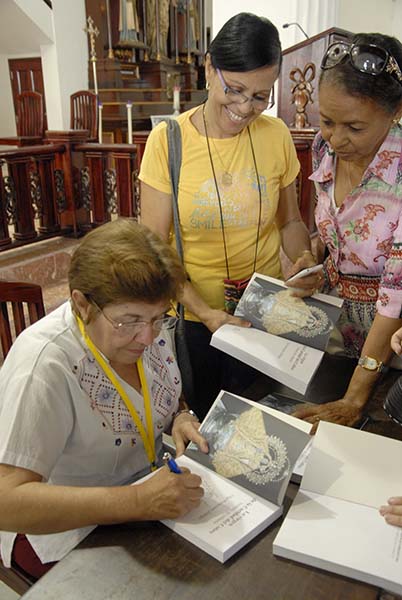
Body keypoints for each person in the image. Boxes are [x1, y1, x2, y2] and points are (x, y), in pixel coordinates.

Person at [0, 219, 207, 581]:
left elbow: (163, 392)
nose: (147, 337)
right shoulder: (45, 364)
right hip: (63, 532)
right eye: (130, 321)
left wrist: (180, 416)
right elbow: (6, 501)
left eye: (159, 318)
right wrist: (137, 503)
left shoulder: (144, 328)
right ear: (82, 304)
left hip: (143, 497)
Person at [139, 12, 320, 419]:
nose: (244, 107)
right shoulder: (168, 141)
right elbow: (153, 249)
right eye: (235, 89)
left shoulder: (276, 136)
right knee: (207, 422)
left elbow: (289, 221)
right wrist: (205, 312)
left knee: (262, 418)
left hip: (263, 314)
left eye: (260, 96)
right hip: (195, 319)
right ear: (208, 68)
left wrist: (303, 258)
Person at [293, 33, 402, 430]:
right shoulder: (324, 148)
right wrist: (318, 262)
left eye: (354, 127)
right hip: (339, 330)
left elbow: (395, 295)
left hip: (391, 342)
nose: (337, 139)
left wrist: (355, 397)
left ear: (396, 112)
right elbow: (336, 228)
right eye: (327, 121)